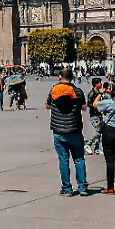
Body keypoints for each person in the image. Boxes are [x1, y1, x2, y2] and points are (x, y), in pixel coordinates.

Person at [45, 69, 89, 197]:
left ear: (60, 77)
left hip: (59, 131)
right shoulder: (78, 91)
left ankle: (67, 188)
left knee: (63, 160)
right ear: (72, 77)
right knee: (79, 159)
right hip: (75, 130)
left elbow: (47, 105)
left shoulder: (54, 90)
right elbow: (84, 107)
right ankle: (82, 188)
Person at [86, 78, 104, 155]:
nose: (101, 84)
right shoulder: (91, 93)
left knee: (99, 131)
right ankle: (88, 144)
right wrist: (97, 108)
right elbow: (89, 104)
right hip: (94, 115)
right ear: (96, 84)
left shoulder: (99, 92)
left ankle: (97, 149)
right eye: (100, 83)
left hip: (99, 114)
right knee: (98, 131)